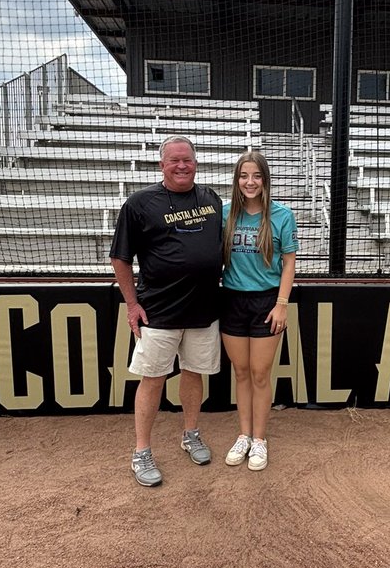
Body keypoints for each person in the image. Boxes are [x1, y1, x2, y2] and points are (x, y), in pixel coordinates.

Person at [110, 135, 223, 487]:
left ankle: (191, 434)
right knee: (153, 379)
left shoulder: (211, 199)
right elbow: (120, 258)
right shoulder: (139, 204)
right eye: (174, 160)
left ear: (196, 163)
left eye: (187, 159)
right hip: (158, 310)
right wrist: (132, 304)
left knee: (194, 373)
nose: (181, 165)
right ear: (162, 165)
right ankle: (141, 452)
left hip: (203, 310)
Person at [220, 150, 298, 472]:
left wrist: (281, 304)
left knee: (260, 373)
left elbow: (289, 263)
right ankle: (244, 435)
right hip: (232, 300)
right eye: (243, 176)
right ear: (236, 180)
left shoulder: (282, 215)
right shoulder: (225, 214)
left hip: (267, 303)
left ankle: (260, 439)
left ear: (265, 180)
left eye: (256, 176)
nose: (249, 182)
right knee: (240, 372)